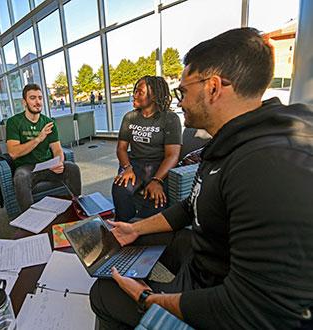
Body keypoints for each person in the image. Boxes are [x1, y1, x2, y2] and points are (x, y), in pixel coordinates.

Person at [90, 28, 313, 329]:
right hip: (205, 258)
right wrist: (135, 228)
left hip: (220, 297)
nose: (179, 101)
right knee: (131, 239)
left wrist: (148, 298)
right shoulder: (229, 138)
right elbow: (190, 206)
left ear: (212, 88)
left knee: (104, 294)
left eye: (183, 91)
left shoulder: (268, 166)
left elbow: (255, 309)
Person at [112, 76, 181, 222]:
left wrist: (157, 181)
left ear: (154, 95)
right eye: (135, 91)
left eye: (140, 92)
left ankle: (142, 234)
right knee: (120, 189)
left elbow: (172, 155)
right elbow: (121, 148)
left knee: (156, 203)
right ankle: (122, 228)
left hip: (159, 167)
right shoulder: (129, 118)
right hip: (135, 165)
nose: (134, 95)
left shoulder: (170, 118)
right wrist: (127, 167)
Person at [6, 84, 81, 212]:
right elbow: (13, 153)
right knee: (21, 177)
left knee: (72, 168)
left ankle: (77, 206)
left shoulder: (48, 122)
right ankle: (29, 218)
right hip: (27, 167)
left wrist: (58, 162)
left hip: (47, 165)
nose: (38, 102)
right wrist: (38, 139)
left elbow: (57, 149)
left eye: (40, 98)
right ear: (24, 102)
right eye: (33, 98)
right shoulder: (14, 122)